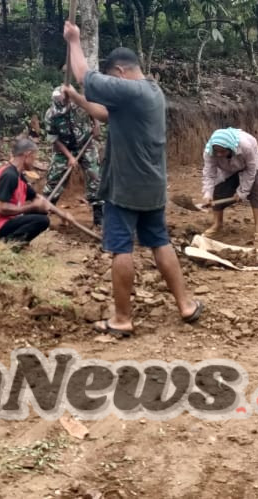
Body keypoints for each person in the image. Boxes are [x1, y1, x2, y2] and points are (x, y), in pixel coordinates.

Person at [64, 22, 203, 337]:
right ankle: (185, 305)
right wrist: (77, 99)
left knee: (121, 248)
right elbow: (106, 115)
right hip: (151, 184)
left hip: (125, 186)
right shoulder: (150, 91)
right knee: (158, 241)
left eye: (113, 78)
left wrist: (74, 41)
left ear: (120, 72)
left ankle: (122, 318)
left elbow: (86, 76)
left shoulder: (130, 88)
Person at [0, 137, 76, 245]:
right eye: (34, 157)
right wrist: (32, 207)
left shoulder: (19, 176)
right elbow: (1, 209)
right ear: (28, 155)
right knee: (42, 221)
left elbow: (37, 198)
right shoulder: (9, 175)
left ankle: (13, 240)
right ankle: (10, 243)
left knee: (41, 212)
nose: (34, 162)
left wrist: (62, 214)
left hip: (7, 221)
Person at [44, 88, 103, 229]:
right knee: (54, 179)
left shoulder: (80, 103)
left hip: (85, 144)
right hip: (63, 148)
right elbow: (54, 139)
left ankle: (99, 218)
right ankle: (42, 213)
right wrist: (70, 157)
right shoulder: (50, 115)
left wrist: (96, 125)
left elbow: (93, 110)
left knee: (94, 176)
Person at [201, 128, 258, 243]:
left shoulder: (246, 146)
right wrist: (207, 194)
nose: (219, 154)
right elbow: (209, 174)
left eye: (222, 151)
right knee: (218, 191)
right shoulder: (209, 152)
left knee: (255, 192)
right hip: (227, 168)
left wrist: (242, 192)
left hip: (249, 165)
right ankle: (217, 224)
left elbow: (251, 170)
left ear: (230, 147)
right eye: (217, 151)